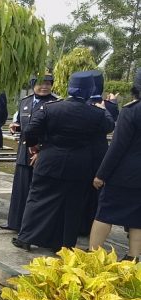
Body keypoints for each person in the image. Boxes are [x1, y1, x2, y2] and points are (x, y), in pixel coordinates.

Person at [13, 71, 115, 252]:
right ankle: (64, 244)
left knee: (37, 200)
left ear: (70, 88)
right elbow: (109, 126)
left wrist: (34, 146)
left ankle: (26, 238)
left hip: (49, 161)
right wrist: (104, 108)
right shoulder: (97, 114)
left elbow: (30, 131)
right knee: (72, 206)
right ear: (89, 90)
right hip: (79, 165)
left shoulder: (51, 108)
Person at [89, 68, 141, 261]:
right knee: (138, 217)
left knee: (105, 213)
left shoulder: (131, 111)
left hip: (124, 175)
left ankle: (93, 256)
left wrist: (101, 175)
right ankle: (133, 258)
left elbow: (118, 147)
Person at [0, 73, 57, 231]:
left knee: (38, 193)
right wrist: (15, 125)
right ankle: (15, 222)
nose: (44, 86)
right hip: (24, 153)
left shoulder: (55, 103)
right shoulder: (25, 101)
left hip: (42, 154)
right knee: (20, 190)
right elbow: (23, 122)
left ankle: (32, 227)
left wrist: (43, 150)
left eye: (48, 83)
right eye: (40, 83)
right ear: (33, 85)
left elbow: (55, 132)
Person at [79, 70, 120, 236]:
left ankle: (81, 223)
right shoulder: (109, 106)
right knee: (94, 193)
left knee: (81, 190)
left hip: (81, 151)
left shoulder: (82, 103)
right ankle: (89, 224)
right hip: (98, 153)